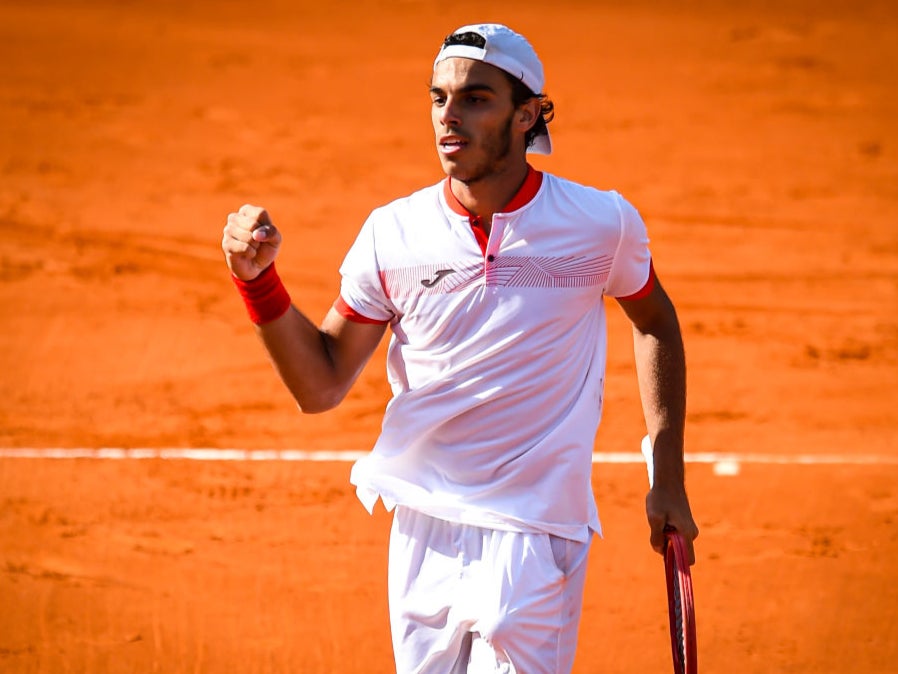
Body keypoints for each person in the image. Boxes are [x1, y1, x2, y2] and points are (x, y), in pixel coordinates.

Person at [221, 23, 698, 674]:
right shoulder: (394, 233)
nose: (449, 115)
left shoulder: (599, 224)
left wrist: (665, 471)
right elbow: (321, 384)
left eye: (476, 98)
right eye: (438, 97)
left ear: (526, 114)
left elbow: (654, 321)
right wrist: (258, 283)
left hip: (535, 533)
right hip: (422, 530)